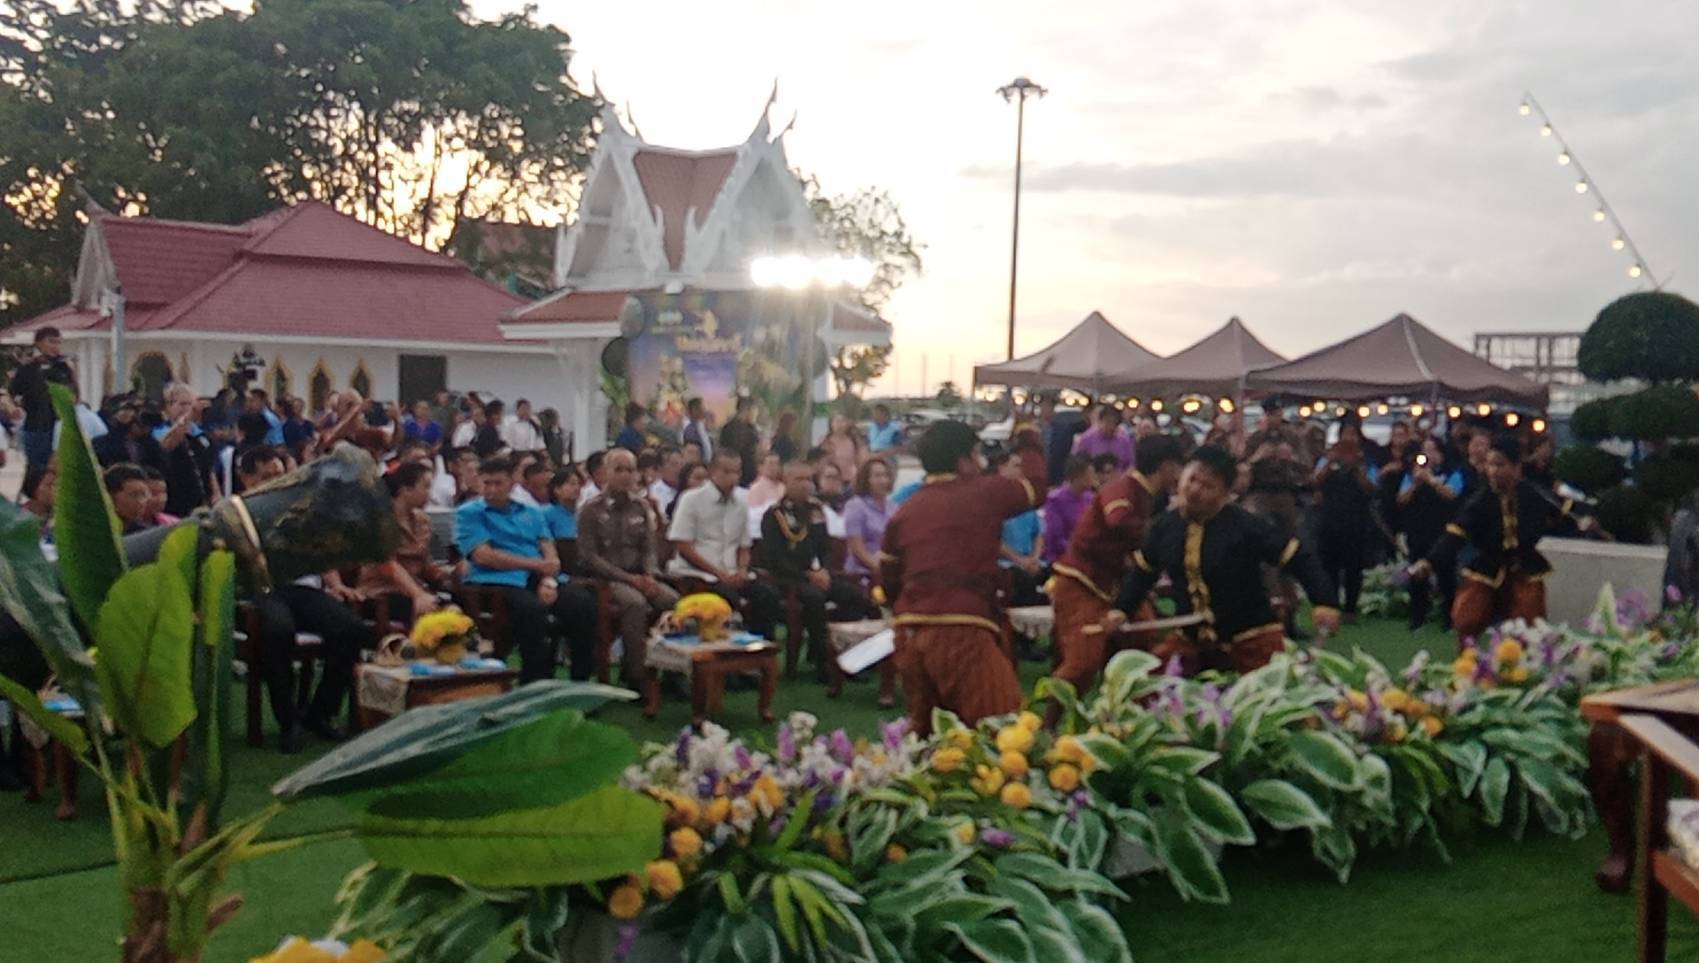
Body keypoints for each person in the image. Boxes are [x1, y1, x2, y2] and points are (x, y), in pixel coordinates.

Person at [1107, 445, 1341, 674]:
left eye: (1207, 486)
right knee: (1147, 688)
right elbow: (1143, 572)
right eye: (1192, 479)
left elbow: (1298, 558)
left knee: (1269, 695)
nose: (1194, 490)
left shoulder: (1246, 527)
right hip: (1191, 641)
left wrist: (1325, 602)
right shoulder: (1165, 526)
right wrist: (1121, 609)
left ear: (1225, 494)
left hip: (1250, 639)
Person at [879, 420, 1046, 733]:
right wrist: (1028, 435)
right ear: (963, 461)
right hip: (960, 629)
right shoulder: (984, 492)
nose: (982, 464)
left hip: (908, 631)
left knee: (929, 737)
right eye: (977, 455)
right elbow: (1036, 487)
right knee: (1007, 731)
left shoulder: (906, 510)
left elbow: (888, 573)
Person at [1409, 434, 1592, 645]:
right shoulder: (1480, 501)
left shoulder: (1533, 495)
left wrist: (1586, 520)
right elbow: (1455, 536)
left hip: (1525, 566)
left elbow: (1566, 512)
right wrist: (1429, 562)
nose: (1493, 471)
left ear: (1516, 468)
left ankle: (1523, 660)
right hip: (1488, 566)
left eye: (1500, 465)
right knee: (1467, 617)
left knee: (1530, 621)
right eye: (1490, 465)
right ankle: (1469, 661)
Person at [1049, 435, 1185, 702]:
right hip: (1080, 582)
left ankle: (1130, 713)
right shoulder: (1123, 488)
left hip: (1113, 586)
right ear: (1167, 466)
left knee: (1141, 644)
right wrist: (1163, 531)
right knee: (1082, 663)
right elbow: (1118, 520)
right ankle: (1041, 722)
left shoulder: (1146, 494)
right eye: (1179, 467)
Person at [455, 456, 598, 683]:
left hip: (538, 578)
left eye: (498, 483)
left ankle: (580, 681)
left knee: (583, 603)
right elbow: (484, 556)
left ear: (512, 484)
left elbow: (549, 552)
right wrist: (537, 566)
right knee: (532, 610)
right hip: (497, 582)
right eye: (486, 483)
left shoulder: (532, 512)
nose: (491, 489)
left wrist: (548, 580)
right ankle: (535, 681)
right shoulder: (469, 513)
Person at [757, 461, 872, 678]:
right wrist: (807, 575)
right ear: (785, 481)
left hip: (816, 575)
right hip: (787, 579)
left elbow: (825, 548)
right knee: (814, 598)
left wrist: (824, 570)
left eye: (809, 479)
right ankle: (823, 662)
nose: (805, 485)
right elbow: (775, 559)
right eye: (799, 479)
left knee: (855, 595)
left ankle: (846, 655)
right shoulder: (774, 515)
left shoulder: (816, 510)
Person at [577, 449, 679, 686]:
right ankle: (636, 675)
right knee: (635, 603)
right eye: (618, 470)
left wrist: (650, 574)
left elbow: (649, 549)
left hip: (641, 576)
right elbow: (590, 557)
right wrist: (629, 579)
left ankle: (672, 671)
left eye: (630, 470)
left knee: (673, 601)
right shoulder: (591, 510)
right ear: (606, 472)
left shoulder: (641, 507)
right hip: (607, 579)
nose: (625, 476)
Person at [668, 451, 782, 630]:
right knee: (729, 597)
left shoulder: (741, 503)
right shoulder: (691, 499)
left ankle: (760, 644)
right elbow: (683, 545)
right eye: (727, 472)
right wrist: (719, 574)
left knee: (768, 594)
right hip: (700, 573)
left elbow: (744, 546)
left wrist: (742, 570)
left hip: (732, 572)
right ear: (712, 471)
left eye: (737, 472)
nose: (733, 478)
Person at [357, 461, 448, 625]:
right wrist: (417, 594)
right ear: (406, 489)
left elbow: (424, 564)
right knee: (429, 613)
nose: (430, 494)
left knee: (455, 610)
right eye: (425, 487)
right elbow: (388, 566)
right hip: (382, 592)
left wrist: (449, 574)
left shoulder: (422, 520)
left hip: (417, 588)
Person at [1397, 436, 1464, 631]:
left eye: (1433, 450)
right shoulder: (1412, 474)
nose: (1429, 454)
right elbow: (1401, 499)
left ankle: (1449, 619)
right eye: (1425, 450)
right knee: (1417, 574)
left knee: (1446, 576)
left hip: (1443, 532)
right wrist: (1416, 483)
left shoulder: (1452, 472)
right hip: (1418, 531)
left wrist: (1432, 481)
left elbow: (1452, 495)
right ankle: (1417, 618)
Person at [1313, 426, 1377, 619]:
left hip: (1356, 522)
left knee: (1354, 567)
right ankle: (1332, 604)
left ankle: (1350, 608)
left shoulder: (1366, 461)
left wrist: (1356, 468)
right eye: (1345, 435)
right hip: (1329, 521)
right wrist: (1330, 462)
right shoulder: (1328, 458)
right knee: (1329, 566)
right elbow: (1314, 481)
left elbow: (1372, 488)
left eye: (1353, 435)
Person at [7, 326, 75, 467]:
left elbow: (74, 394)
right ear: (38, 343)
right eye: (51, 341)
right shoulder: (27, 369)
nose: (55, 346)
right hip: (36, 426)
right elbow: (11, 394)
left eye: (58, 342)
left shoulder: (63, 367)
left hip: (60, 425)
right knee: (37, 467)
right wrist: (12, 408)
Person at [995, 450, 1047, 607]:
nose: (1020, 471)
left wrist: (1034, 558)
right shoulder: (994, 501)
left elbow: (1038, 535)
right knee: (1024, 581)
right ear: (1001, 467)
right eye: (1016, 466)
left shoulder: (1025, 500)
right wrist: (1020, 561)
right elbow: (994, 541)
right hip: (1005, 563)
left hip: (1030, 561)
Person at [153, 384, 214, 516]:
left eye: (190, 404)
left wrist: (216, 493)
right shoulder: (159, 430)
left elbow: (208, 467)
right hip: (175, 497)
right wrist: (186, 419)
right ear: (168, 406)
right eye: (182, 404)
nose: (187, 409)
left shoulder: (200, 435)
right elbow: (166, 445)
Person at [843, 457, 894, 586]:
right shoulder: (855, 506)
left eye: (885, 475)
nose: (883, 480)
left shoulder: (893, 507)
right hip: (863, 573)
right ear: (866, 479)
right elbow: (857, 549)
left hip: (890, 568)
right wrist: (878, 569)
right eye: (877, 476)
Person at [1042, 455, 1096, 565]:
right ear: (1077, 476)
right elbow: (1056, 538)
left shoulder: (1091, 499)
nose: (1093, 478)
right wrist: (1079, 550)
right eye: (1090, 475)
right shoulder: (1055, 500)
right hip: (1061, 558)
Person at [1072, 404, 1135, 472]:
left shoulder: (1124, 440)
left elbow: (1131, 464)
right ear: (1100, 421)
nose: (1111, 426)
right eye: (1108, 422)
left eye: (1114, 423)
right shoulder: (1087, 438)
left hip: (1118, 476)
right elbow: (1079, 464)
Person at [103, 463, 153, 534]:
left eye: (143, 495)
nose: (140, 502)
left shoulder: (144, 533)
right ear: (111, 496)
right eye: (134, 495)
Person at [720, 396, 760, 486]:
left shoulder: (751, 428)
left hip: (747, 474)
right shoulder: (731, 429)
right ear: (746, 409)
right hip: (739, 473)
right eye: (754, 410)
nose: (756, 414)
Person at [822, 414, 865, 483]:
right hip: (832, 480)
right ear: (831, 424)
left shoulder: (854, 440)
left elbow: (860, 460)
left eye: (842, 421)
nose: (840, 425)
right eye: (837, 422)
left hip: (851, 479)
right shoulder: (825, 441)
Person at [680, 397, 714, 461]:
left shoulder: (702, 427)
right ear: (694, 410)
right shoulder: (690, 430)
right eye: (702, 408)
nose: (705, 411)